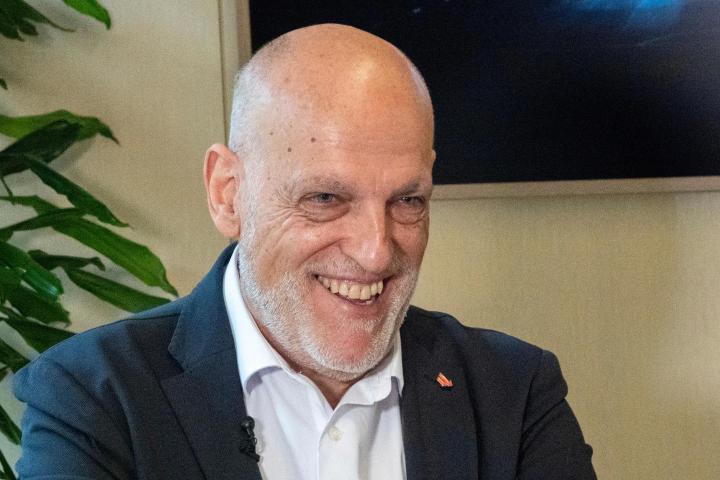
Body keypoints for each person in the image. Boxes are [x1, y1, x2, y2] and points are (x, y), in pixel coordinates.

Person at [14, 24, 596, 479]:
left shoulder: (513, 391)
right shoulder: (92, 396)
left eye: (407, 200)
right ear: (228, 194)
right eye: (325, 198)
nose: (375, 252)